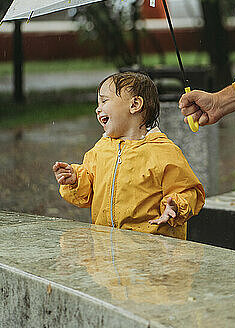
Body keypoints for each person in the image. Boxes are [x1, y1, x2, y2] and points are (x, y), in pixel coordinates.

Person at [53, 71, 205, 240]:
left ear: (135, 105)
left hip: (152, 252)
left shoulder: (164, 152)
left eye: (104, 100)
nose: (98, 109)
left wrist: (176, 206)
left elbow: (188, 190)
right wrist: (75, 180)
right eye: (98, 103)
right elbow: (86, 193)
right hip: (106, 249)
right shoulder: (100, 150)